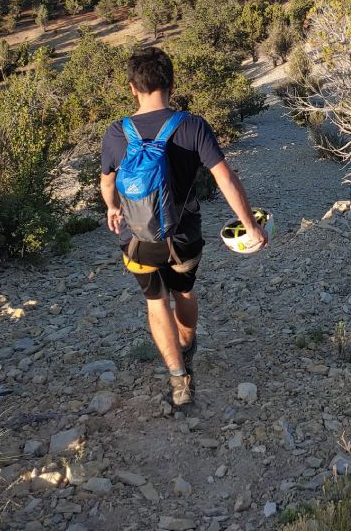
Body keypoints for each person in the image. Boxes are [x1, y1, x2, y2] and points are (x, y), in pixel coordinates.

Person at [100, 46, 267, 407]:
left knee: (155, 302)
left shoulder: (116, 133)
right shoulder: (192, 126)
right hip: (183, 238)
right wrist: (250, 226)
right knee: (184, 294)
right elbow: (225, 178)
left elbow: (107, 183)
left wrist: (112, 207)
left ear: (132, 88)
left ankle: (178, 380)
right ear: (171, 84)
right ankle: (187, 345)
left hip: (137, 242)